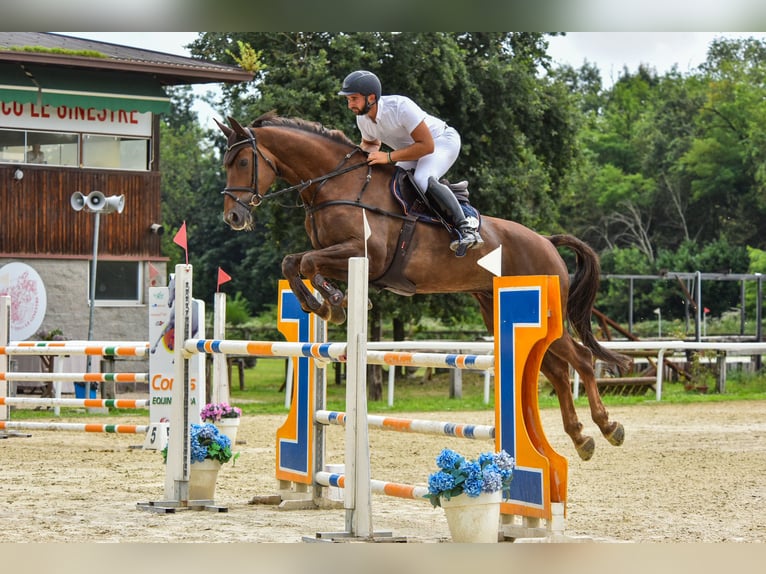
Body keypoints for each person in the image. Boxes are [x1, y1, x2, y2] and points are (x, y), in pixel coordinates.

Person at [338, 70, 483, 255]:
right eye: (348, 99)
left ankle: (467, 227)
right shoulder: (362, 119)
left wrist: (388, 157)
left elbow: (426, 146)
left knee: (423, 179)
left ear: (371, 98)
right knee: (392, 184)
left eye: (354, 99)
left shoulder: (400, 107)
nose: (350, 104)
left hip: (441, 141)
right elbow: (371, 143)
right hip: (412, 152)